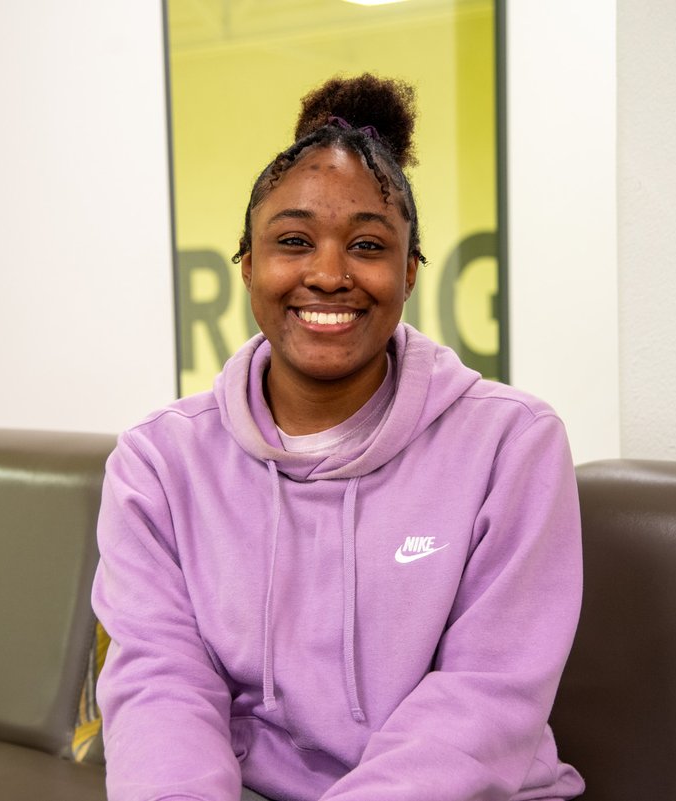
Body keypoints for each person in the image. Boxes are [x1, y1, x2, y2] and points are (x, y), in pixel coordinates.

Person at [92, 73, 585, 801]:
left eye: (367, 245)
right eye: (294, 241)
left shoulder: (512, 444)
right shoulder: (157, 464)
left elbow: (486, 697)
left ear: (409, 272)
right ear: (248, 265)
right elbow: (160, 688)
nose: (328, 274)